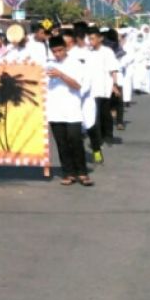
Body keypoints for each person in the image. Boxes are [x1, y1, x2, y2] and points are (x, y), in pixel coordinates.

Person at [43, 36, 92, 186]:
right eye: (54, 51)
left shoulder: (76, 64)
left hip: (72, 110)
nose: (57, 54)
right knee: (61, 143)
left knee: (75, 141)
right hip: (54, 111)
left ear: (66, 48)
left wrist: (61, 75)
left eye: (60, 50)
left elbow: (78, 86)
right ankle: (68, 172)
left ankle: (82, 172)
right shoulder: (48, 65)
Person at [83, 26, 120, 162]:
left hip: (105, 87)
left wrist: (115, 85)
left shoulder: (107, 52)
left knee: (105, 114)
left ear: (100, 38)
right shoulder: (88, 53)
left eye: (92, 38)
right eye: (89, 38)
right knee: (95, 116)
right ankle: (97, 140)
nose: (90, 41)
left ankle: (108, 135)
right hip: (92, 89)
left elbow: (113, 69)